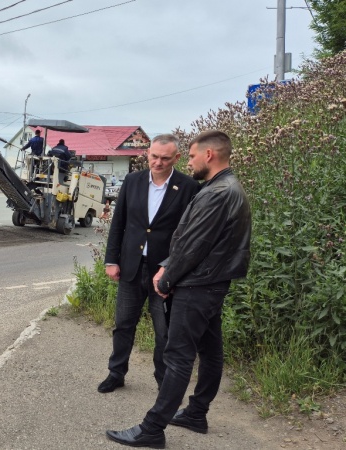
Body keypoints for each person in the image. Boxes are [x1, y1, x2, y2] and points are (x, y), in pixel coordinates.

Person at [106, 130, 252, 448]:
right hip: (213, 283)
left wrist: (167, 277)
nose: (189, 160)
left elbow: (191, 243)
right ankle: (196, 413)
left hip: (198, 284)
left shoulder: (214, 192)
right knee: (210, 351)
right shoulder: (227, 186)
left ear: (209, 155)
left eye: (190, 155)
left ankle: (152, 429)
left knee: (178, 355)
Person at [97, 134, 200, 395]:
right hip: (131, 267)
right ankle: (116, 372)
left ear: (177, 158)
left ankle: (163, 380)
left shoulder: (188, 187)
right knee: (123, 324)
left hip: (164, 273)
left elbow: (189, 234)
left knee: (164, 332)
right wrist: (111, 260)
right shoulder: (133, 181)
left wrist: (173, 268)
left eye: (165, 158)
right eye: (154, 156)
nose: (158, 162)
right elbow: (118, 223)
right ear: (147, 154)